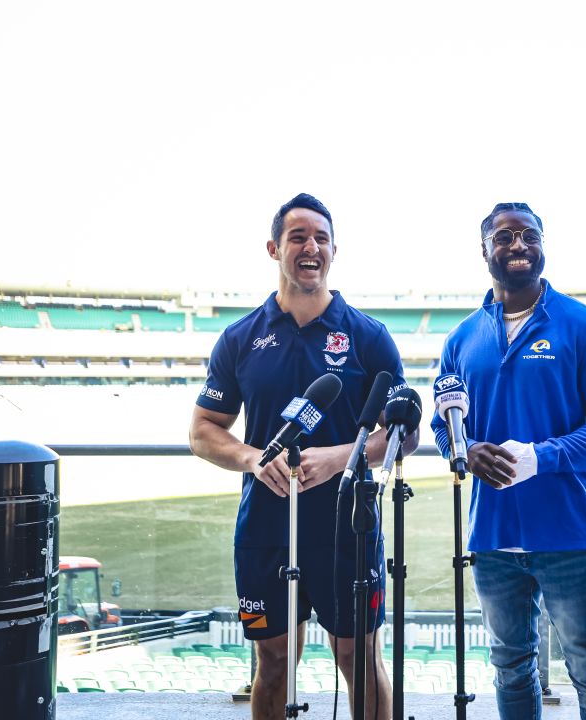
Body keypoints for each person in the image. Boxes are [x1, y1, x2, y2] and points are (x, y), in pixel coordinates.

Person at [190, 193, 413, 720]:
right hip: (265, 526)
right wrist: (251, 459)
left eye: (320, 238)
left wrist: (338, 458)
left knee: (358, 657)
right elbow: (203, 430)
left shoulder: (368, 336)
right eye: (298, 237)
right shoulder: (241, 337)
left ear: (334, 251)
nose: (310, 247)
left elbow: (404, 434)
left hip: (347, 527)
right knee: (272, 662)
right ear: (274, 248)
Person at [430, 202, 586, 719]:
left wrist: (544, 457)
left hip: (568, 529)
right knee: (509, 664)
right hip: (493, 534)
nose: (518, 245)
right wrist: (466, 449)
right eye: (504, 237)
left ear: (543, 245)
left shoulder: (584, 326)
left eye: (529, 235)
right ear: (485, 251)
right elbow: (443, 422)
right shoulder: (461, 340)